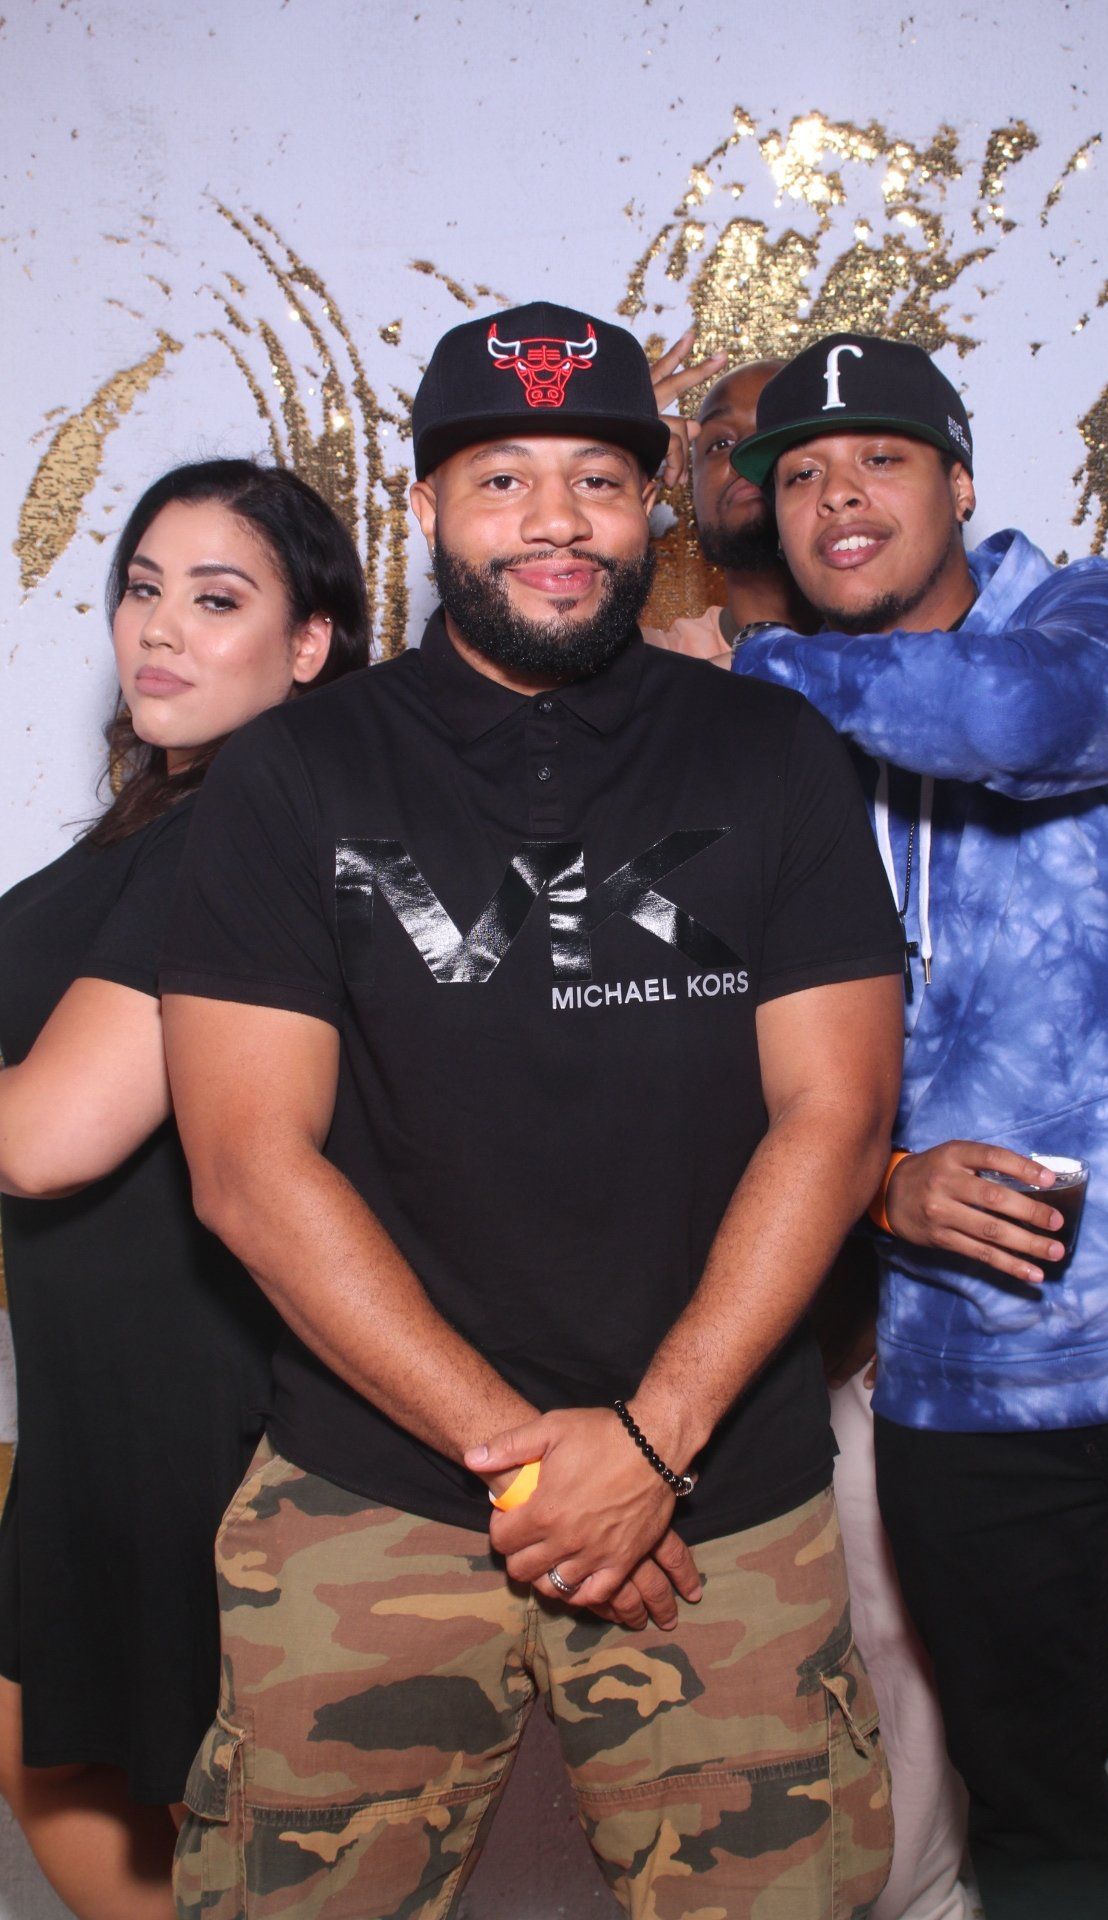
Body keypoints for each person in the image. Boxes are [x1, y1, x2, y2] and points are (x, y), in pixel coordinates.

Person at [160, 301, 904, 1919]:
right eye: (503, 479)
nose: (555, 521)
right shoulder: (296, 771)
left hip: (721, 1495)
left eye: (598, 480)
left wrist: (651, 1440)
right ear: (425, 506)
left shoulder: (774, 750)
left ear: (652, 509)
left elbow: (837, 1120)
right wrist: (536, 1467)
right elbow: (246, 1164)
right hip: (370, 1493)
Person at [729, 332, 1108, 1920]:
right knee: (1034, 1833)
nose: (840, 496)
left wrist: (747, 664)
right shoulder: (776, 761)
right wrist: (884, 1185)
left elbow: (1009, 719)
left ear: (960, 482)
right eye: (803, 474)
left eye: (881, 459)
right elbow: (748, 1053)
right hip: (964, 1382)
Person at [0, 459, 370, 1920]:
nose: (157, 626)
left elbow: (51, 1135)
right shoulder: (161, 816)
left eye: (216, 600)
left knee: (202, 1812)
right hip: (97, 1394)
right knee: (56, 1753)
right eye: (142, 588)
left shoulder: (240, 830)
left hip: (191, 1399)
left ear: (309, 645)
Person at [653, 344, 973, 1920]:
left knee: (901, 1660)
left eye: (771, 444)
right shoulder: (644, 670)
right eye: (721, 443)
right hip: (695, 1286)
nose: (749, 466)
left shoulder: (924, 671)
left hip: (887, 1294)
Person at [644, 355, 814, 663]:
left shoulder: (902, 649)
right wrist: (605, 453)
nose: (747, 450)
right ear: (691, 490)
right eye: (721, 443)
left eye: (775, 429)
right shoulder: (654, 668)